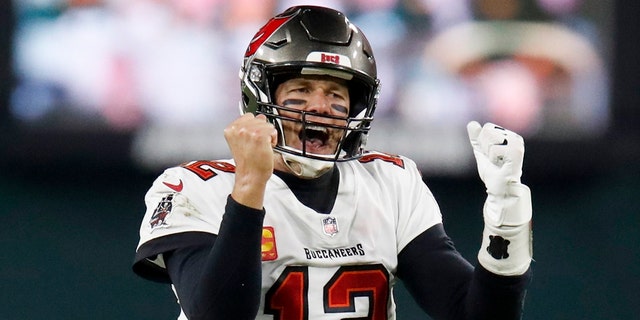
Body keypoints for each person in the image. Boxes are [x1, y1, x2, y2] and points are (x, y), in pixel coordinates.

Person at [132, 5, 533, 320]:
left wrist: (507, 221)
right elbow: (217, 315)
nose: (320, 107)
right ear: (260, 97)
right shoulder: (195, 187)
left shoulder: (389, 182)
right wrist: (250, 187)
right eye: (302, 89)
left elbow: (471, 312)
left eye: (336, 94)